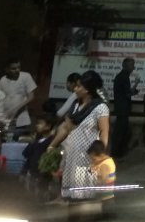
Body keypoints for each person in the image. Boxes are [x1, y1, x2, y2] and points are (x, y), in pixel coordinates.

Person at [46, 70, 110, 210]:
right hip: (71, 154)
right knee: (71, 197)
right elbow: (66, 129)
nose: (75, 89)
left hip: (87, 156)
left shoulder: (100, 107)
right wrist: (52, 145)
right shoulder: (75, 106)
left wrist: (101, 155)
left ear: (87, 89)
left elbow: (104, 131)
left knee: (84, 197)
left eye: (78, 86)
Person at [0, 58, 37, 140]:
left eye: (19, 67)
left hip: (21, 119)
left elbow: (31, 96)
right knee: (5, 141)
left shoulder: (26, 76)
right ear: (7, 69)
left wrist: (17, 109)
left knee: (16, 142)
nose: (17, 70)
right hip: (6, 119)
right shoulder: (3, 80)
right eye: (13, 68)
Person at [20, 114, 55, 199]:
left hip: (44, 175)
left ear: (48, 126)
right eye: (37, 123)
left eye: (40, 123)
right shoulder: (36, 141)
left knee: (41, 194)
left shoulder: (51, 141)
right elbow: (27, 154)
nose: (37, 126)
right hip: (33, 173)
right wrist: (23, 172)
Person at [111, 57, 139, 158]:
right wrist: (136, 83)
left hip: (122, 109)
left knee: (122, 131)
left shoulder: (123, 76)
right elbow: (127, 94)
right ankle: (116, 154)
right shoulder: (123, 77)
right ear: (126, 66)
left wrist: (133, 91)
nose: (133, 67)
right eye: (132, 65)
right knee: (120, 132)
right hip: (122, 109)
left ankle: (118, 153)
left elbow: (126, 92)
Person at [87, 139, 116, 213]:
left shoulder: (104, 165)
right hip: (103, 199)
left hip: (105, 200)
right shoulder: (103, 162)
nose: (92, 161)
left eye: (93, 158)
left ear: (100, 155)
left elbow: (103, 180)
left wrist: (91, 179)